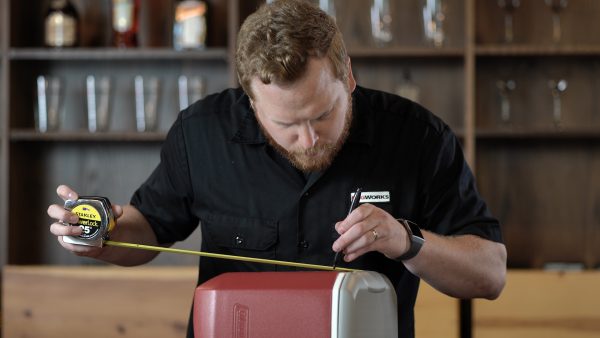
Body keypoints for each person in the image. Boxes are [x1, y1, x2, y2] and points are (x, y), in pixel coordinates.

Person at [48, 0, 507, 337]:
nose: (308, 140)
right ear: (250, 102)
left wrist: (409, 241)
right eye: (286, 123)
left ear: (348, 75)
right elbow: (147, 229)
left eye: (324, 114)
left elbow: (490, 274)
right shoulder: (202, 132)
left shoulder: (418, 138)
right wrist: (98, 235)